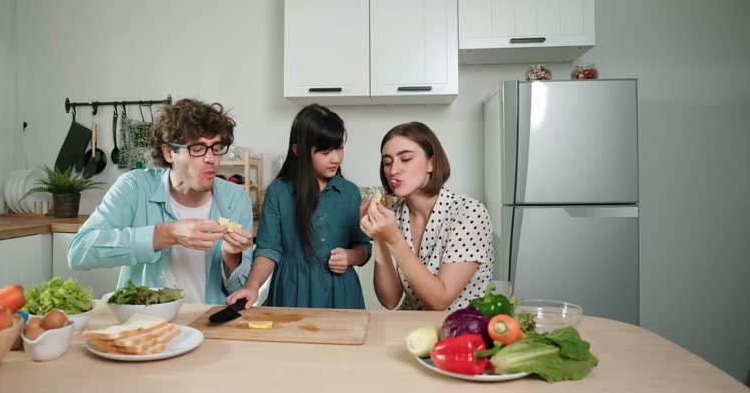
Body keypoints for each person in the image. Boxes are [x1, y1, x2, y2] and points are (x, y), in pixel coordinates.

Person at [68, 99, 255, 305]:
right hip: (144, 322)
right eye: (198, 148)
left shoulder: (236, 198)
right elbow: (79, 252)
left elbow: (239, 292)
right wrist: (166, 234)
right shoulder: (134, 187)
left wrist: (231, 256)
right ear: (168, 153)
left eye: (216, 147)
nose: (211, 159)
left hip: (208, 323)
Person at [227, 104, 370, 309]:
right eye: (325, 151)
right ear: (298, 151)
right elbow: (268, 250)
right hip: (292, 293)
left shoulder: (350, 193)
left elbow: (364, 247)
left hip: (341, 294)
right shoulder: (278, 192)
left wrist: (350, 257)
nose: (336, 158)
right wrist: (252, 286)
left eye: (339, 147)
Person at [360, 122, 494, 311]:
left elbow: (440, 300)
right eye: (387, 162)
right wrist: (380, 238)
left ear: (431, 163)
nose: (393, 170)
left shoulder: (469, 213)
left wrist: (394, 238)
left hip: (463, 330)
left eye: (405, 159)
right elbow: (389, 300)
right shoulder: (394, 215)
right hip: (411, 328)